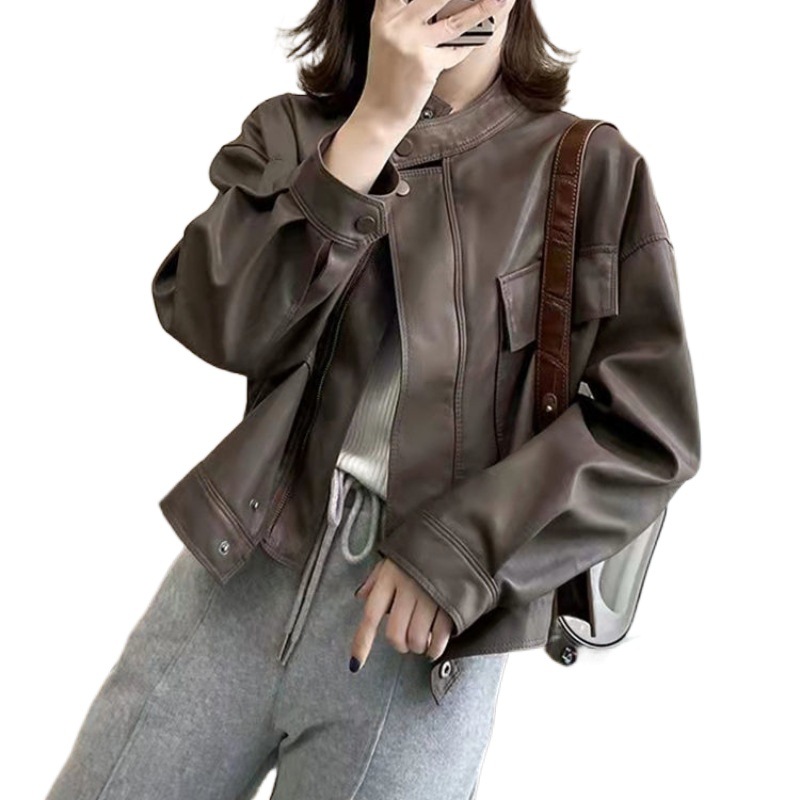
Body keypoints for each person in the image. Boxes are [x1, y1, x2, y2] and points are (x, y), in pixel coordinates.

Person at [45, 1, 701, 798]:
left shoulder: (591, 172)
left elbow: (647, 434)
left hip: (419, 641)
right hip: (239, 572)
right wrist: (374, 126)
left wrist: (457, 553)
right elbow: (215, 322)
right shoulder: (297, 133)